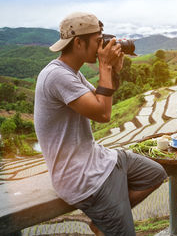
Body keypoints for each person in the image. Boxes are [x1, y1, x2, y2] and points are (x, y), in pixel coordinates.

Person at [34, 12, 167, 236]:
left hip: (100, 160)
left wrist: (114, 70)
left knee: (156, 174)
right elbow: (103, 114)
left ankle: (105, 220)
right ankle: (109, 219)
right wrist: (104, 66)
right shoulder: (57, 76)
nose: (100, 47)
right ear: (78, 42)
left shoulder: (72, 74)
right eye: (98, 41)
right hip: (83, 179)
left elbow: (101, 96)